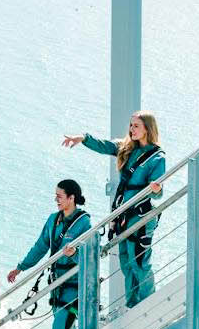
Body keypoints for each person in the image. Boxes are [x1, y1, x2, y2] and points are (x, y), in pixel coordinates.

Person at [62, 113, 166, 308]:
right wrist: (83, 138)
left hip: (141, 216)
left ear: (147, 129)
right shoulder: (126, 148)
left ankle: (150, 304)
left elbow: (159, 193)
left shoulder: (157, 157)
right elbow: (104, 145)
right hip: (123, 215)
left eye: (136, 126)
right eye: (131, 125)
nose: (132, 129)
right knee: (126, 263)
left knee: (140, 263)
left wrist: (156, 189)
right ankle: (133, 305)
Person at [7, 179, 93, 329]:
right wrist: (20, 267)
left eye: (60, 197)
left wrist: (74, 254)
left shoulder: (84, 223)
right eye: (56, 196)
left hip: (75, 288)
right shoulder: (53, 220)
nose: (56, 200)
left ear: (71, 198)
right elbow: (40, 246)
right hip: (56, 286)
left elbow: (92, 256)